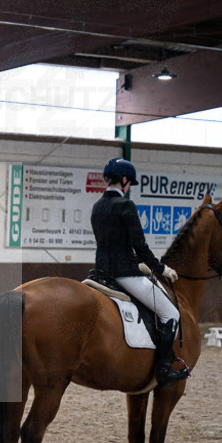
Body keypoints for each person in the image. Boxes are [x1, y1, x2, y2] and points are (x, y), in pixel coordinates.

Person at [91, 158, 188, 387]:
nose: (129, 187)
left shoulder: (97, 206)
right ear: (124, 180)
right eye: (129, 183)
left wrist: (137, 264)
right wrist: (161, 268)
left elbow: (112, 245)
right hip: (125, 275)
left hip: (101, 272)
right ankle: (163, 369)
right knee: (170, 314)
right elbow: (140, 246)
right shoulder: (126, 206)